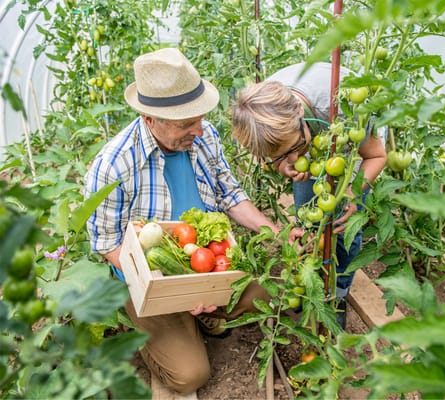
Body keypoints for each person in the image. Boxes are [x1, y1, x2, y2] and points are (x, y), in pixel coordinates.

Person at [85, 48, 302, 396]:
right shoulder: (113, 165)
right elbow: (108, 244)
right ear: (149, 118)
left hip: (210, 261)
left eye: (200, 118)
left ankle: (204, 314)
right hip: (153, 280)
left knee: (274, 284)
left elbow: (231, 195)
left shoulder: (205, 137)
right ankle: (160, 330)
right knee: (189, 375)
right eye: (186, 123)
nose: (199, 130)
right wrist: (174, 292)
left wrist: (277, 232)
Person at [232, 62, 387, 328]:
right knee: (307, 219)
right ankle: (312, 281)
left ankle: (338, 292)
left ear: (301, 117)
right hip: (316, 140)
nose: (294, 159)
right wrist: (283, 164)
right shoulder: (259, 117)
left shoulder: (344, 107)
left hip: (352, 144)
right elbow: (275, 158)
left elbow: (377, 156)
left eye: (295, 148)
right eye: (282, 154)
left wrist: (352, 193)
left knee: (346, 226)